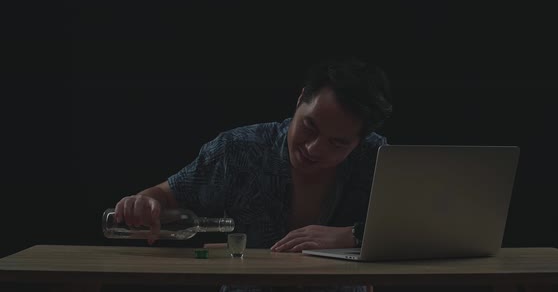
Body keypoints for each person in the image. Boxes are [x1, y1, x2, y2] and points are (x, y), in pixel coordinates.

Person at [113, 57, 393, 292]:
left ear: (359, 141)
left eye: (337, 143)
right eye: (310, 126)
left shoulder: (376, 157)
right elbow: (163, 195)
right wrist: (144, 202)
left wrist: (354, 235)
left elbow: (419, 232)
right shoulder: (239, 149)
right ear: (299, 101)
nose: (312, 148)